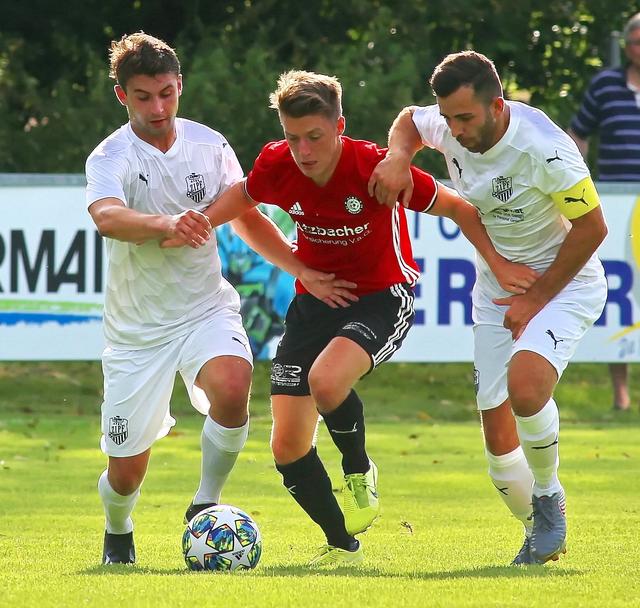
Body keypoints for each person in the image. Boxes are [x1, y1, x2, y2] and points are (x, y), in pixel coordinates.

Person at [164, 69, 538, 567]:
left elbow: (460, 210)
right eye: (292, 137)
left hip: (384, 297)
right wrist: (203, 223)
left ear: (340, 125)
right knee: (286, 446)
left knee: (327, 380)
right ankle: (344, 547)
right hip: (315, 301)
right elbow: (242, 199)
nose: (304, 150)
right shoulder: (278, 165)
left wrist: (500, 265)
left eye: (315, 136)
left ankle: (359, 469)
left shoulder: (376, 169)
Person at [84, 34, 347, 565]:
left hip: (205, 307)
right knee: (125, 471)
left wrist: (301, 267)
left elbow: (247, 215)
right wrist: (166, 222)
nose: (157, 108)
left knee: (233, 383)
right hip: (137, 331)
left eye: (166, 93)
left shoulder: (209, 145)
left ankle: (205, 502)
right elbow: (106, 216)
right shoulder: (110, 155)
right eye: (143, 97)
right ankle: (119, 528)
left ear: (179, 86)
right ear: (122, 96)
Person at [368, 51, 608, 565]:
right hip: (496, 288)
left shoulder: (544, 149)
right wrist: (397, 157)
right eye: (449, 118)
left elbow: (593, 228)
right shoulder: (448, 120)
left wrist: (536, 298)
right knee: (499, 452)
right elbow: (410, 121)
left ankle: (548, 495)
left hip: (563, 284)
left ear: (497, 106)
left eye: (465, 119)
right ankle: (539, 532)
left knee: (526, 388)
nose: (453, 131)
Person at [568, 12, 640, 411]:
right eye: (635, 41)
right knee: (622, 297)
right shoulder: (606, 85)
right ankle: (621, 394)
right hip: (616, 199)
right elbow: (577, 134)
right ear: (625, 44)